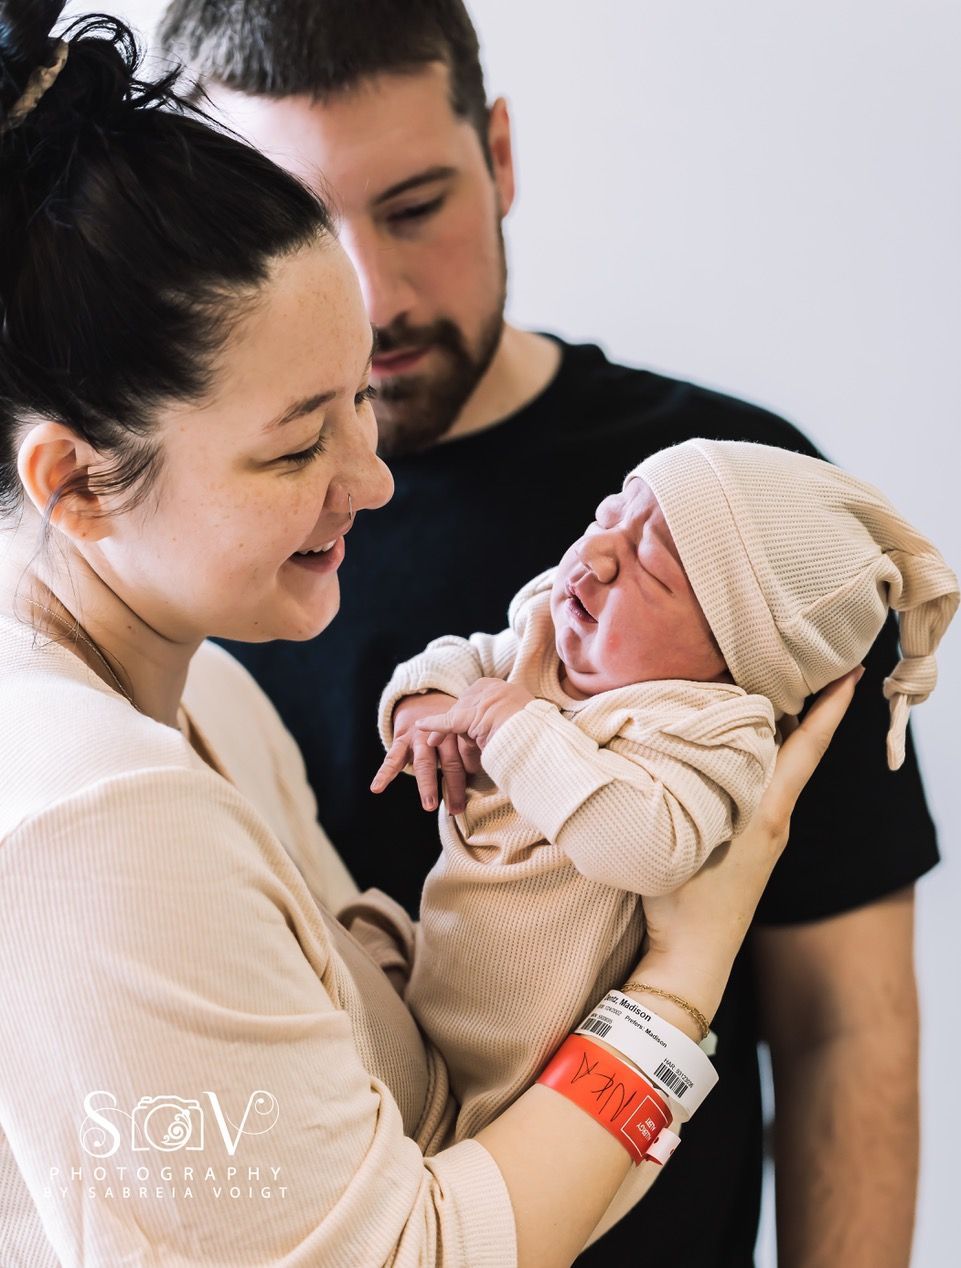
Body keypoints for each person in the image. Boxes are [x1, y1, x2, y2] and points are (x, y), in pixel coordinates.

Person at [0, 6, 865, 1265]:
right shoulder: (92, 823)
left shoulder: (216, 700)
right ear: (75, 481)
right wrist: (680, 968)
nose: (375, 478)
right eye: (298, 444)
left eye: (358, 398)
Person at [371, 439, 957, 1141]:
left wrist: (508, 722)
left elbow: (646, 846)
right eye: (607, 515)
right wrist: (426, 706)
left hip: (522, 1092)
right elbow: (461, 656)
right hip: (433, 992)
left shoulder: (709, 728)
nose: (595, 556)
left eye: (649, 571)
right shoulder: (548, 630)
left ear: (734, 660)